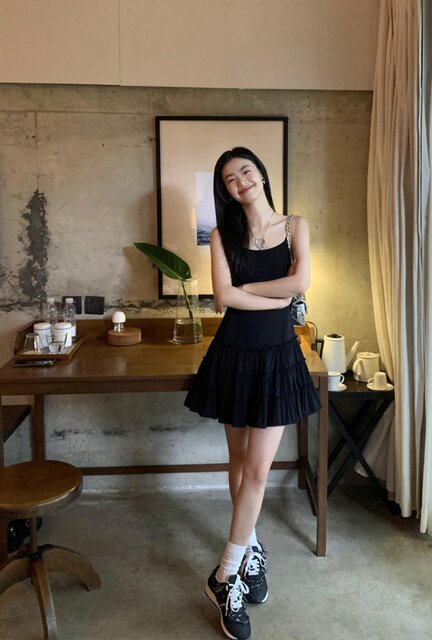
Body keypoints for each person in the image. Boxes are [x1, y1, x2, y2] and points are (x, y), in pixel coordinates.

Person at [184, 147, 320, 640]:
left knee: (259, 470)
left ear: (260, 174)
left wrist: (253, 289)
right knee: (240, 463)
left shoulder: (296, 225)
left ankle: (224, 574)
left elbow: (301, 281)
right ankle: (252, 547)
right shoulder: (224, 234)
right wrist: (278, 298)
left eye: (246, 170)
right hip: (234, 355)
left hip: (278, 358)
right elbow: (223, 297)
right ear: (226, 190)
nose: (240, 180)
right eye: (230, 178)